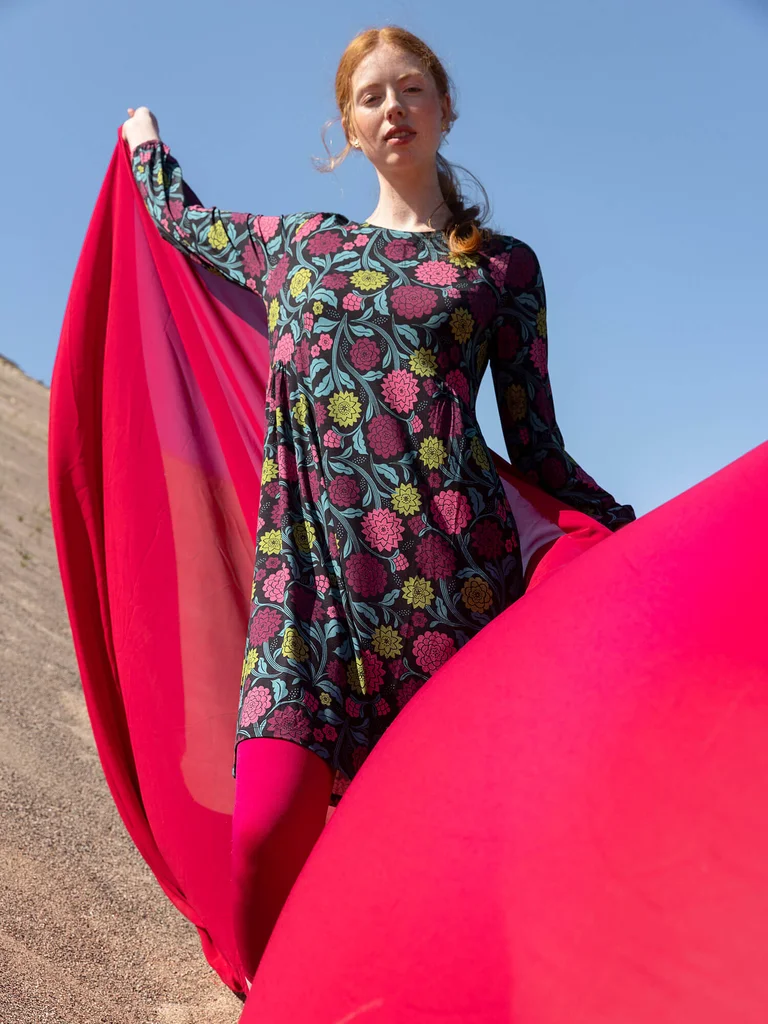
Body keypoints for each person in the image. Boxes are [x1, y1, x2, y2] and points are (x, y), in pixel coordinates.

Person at [122, 24, 635, 984]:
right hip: (309, 590)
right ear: (348, 132)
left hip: (452, 595)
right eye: (370, 97)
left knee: (450, 860)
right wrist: (146, 147)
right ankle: (275, 998)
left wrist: (634, 538)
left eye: (409, 89)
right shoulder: (301, 247)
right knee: (264, 835)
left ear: (445, 109)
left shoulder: (502, 269)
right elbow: (187, 222)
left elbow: (538, 447)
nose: (391, 107)